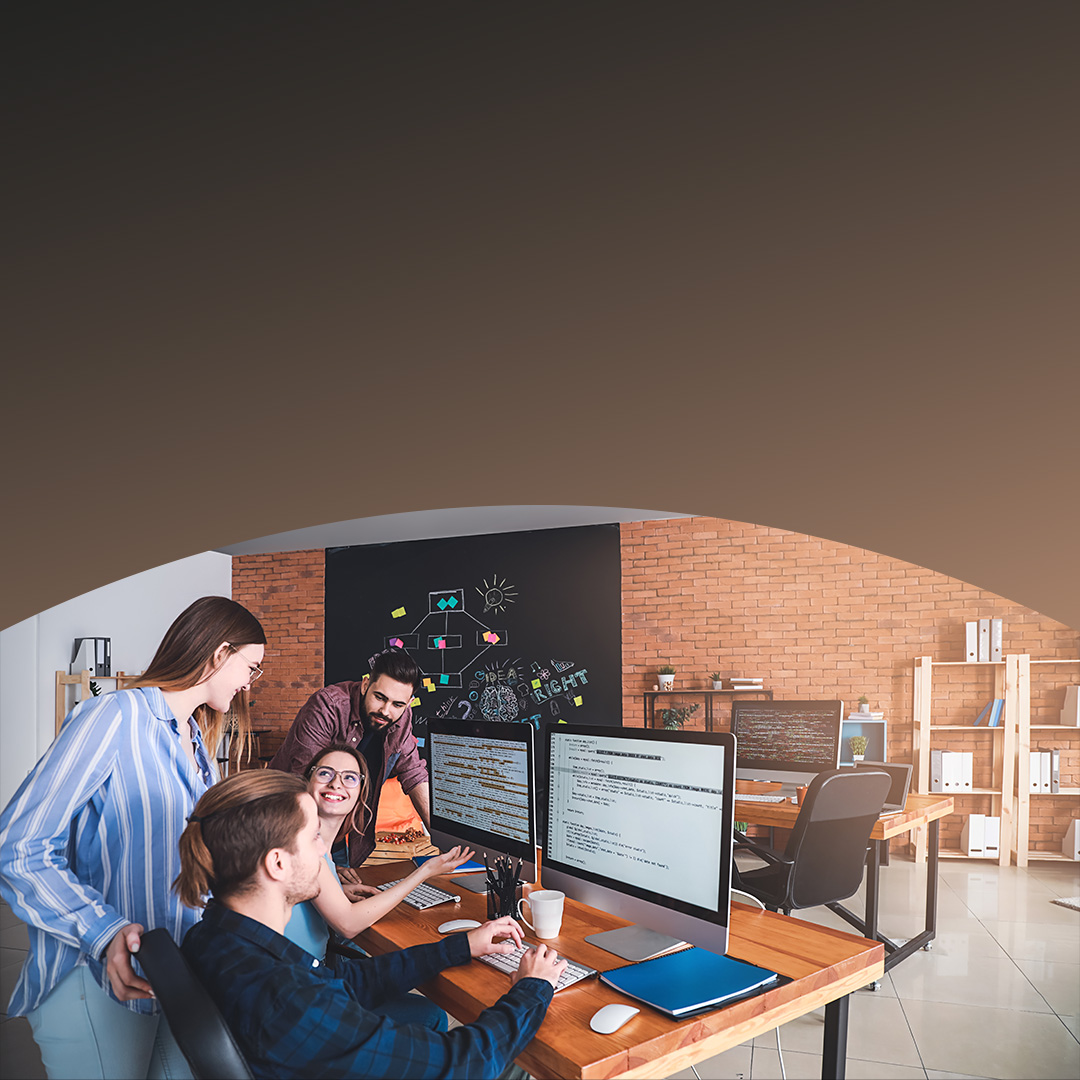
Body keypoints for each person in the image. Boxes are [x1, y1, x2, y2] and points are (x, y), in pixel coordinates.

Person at [0, 595, 266, 1080]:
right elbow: (20, 848)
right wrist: (102, 932)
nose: (252, 682)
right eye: (250, 666)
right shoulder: (114, 717)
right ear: (219, 653)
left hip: (168, 974)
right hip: (97, 976)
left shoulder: (194, 742)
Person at [176, 769, 566, 1079]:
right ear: (278, 864)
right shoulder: (291, 1001)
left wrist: (462, 946)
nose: (324, 849)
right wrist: (532, 987)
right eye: (314, 837)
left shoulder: (215, 937)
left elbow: (346, 983)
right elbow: (465, 1064)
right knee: (527, 1054)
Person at [283, 742, 474, 1029]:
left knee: (422, 1004)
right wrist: (422, 873)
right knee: (430, 1014)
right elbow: (347, 924)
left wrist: (338, 890)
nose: (336, 783)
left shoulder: (323, 845)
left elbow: (312, 892)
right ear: (308, 780)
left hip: (309, 978)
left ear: (362, 792)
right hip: (302, 992)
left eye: (349, 777)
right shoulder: (306, 844)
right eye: (325, 773)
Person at [269, 646, 431, 871]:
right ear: (366, 685)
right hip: (288, 821)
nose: (386, 711)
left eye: (397, 704)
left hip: (342, 830)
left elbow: (414, 773)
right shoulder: (327, 706)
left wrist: (447, 842)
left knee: (343, 891)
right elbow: (304, 782)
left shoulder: (401, 717)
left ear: (409, 702)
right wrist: (322, 861)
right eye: (380, 697)